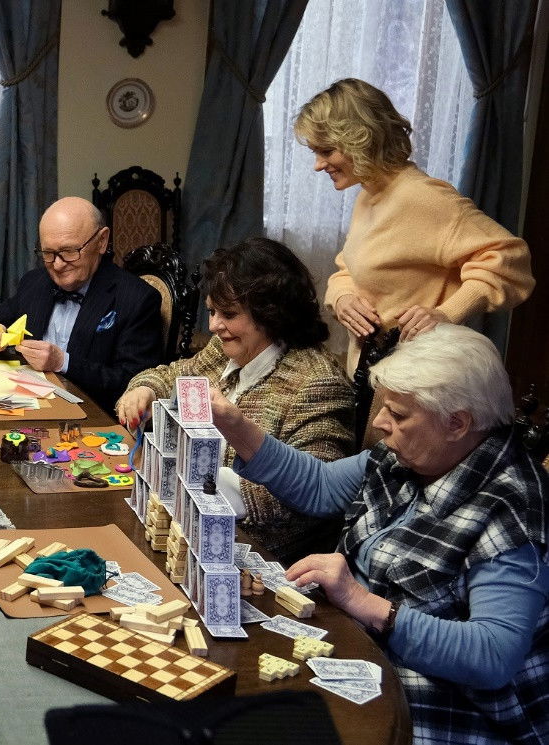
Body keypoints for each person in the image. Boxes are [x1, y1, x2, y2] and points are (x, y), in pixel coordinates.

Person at [208, 323, 549, 744]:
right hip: (359, 656)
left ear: (458, 423)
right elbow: (319, 485)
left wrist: (362, 602)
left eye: (399, 415)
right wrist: (234, 424)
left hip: (441, 709)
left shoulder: (512, 508)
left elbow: (493, 656)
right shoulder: (410, 454)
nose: (381, 423)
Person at [115, 238, 354, 561]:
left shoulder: (318, 383)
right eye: (212, 311)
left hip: (257, 553)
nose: (214, 326)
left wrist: (199, 483)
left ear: (271, 313)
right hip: (185, 526)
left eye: (228, 314)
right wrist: (144, 389)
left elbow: (313, 496)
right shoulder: (227, 346)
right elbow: (173, 375)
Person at [295, 78, 534, 371]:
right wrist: (342, 298)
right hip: (374, 373)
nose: (318, 165)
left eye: (327, 151)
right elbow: (350, 267)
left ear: (360, 140)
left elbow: (510, 260)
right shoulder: (369, 193)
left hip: (419, 377)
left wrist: (447, 314)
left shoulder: (423, 197)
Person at [0, 196, 163, 409]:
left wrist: (62, 362)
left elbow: (134, 385)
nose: (57, 265)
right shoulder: (35, 282)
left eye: (69, 252)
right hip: (26, 405)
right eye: (48, 253)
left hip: (90, 414)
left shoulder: (137, 299)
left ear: (101, 241)